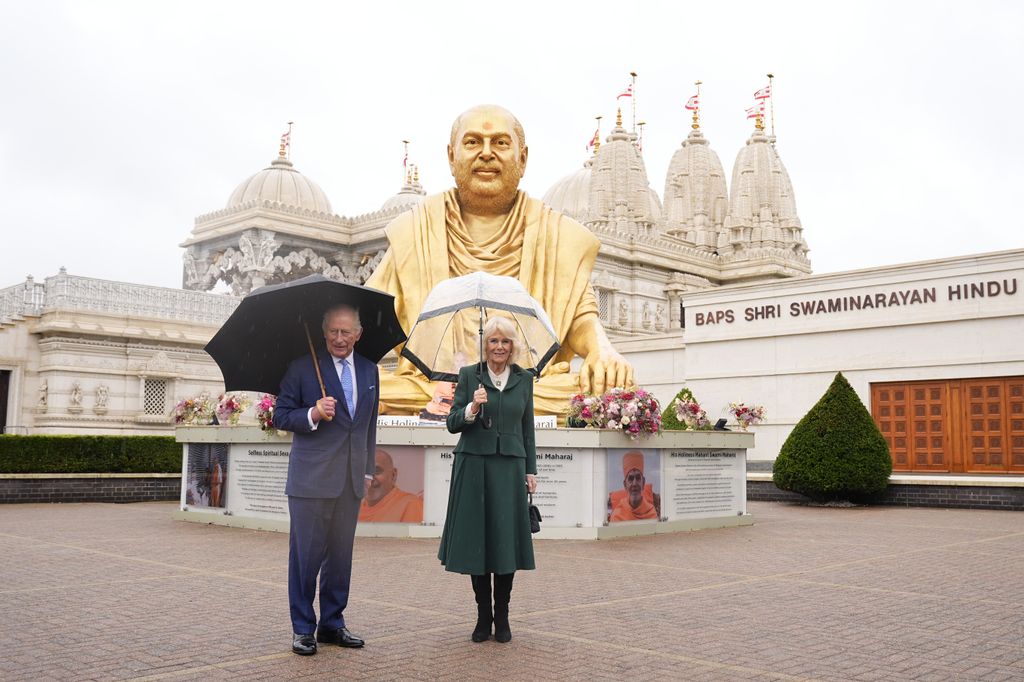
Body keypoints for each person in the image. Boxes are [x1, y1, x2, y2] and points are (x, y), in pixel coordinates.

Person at [366, 104, 634, 416]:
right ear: (452, 157)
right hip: (434, 383)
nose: (486, 153)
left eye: (501, 143)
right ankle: (471, 401)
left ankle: (481, 401)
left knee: (609, 388)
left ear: (522, 158)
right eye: (472, 142)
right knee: (361, 383)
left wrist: (603, 350)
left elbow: (581, 317)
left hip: (526, 383)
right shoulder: (415, 230)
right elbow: (371, 319)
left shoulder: (557, 234)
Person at [273, 304, 380, 656]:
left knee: (340, 558)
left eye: (346, 332)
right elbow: (281, 415)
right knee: (306, 557)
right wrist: (313, 413)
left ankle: (332, 623)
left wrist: (366, 471)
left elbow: (367, 427)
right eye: (333, 331)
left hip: (349, 481)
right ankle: (303, 628)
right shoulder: (302, 368)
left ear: (358, 334)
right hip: (311, 481)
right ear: (324, 332)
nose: (338, 338)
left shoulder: (368, 371)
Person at [439, 316, 538, 644]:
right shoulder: (470, 376)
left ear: (513, 347)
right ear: (486, 344)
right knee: (477, 541)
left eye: (505, 342)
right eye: (494, 341)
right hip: (473, 466)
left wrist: (530, 470)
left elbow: (528, 428)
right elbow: (453, 423)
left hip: (509, 467)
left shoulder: (524, 380)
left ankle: (503, 616)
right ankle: (483, 616)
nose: (499, 347)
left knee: (504, 541)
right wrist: (471, 407)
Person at [358, 448, 423, 522]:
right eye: (363, 472)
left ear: (393, 475)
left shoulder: (410, 504)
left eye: (376, 471)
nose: (369, 480)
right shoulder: (355, 509)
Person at [609, 451, 659, 522]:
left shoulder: (651, 513)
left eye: (638, 478)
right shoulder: (616, 516)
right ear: (625, 485)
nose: (634, 483)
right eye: (631, 478)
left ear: (643, 482)